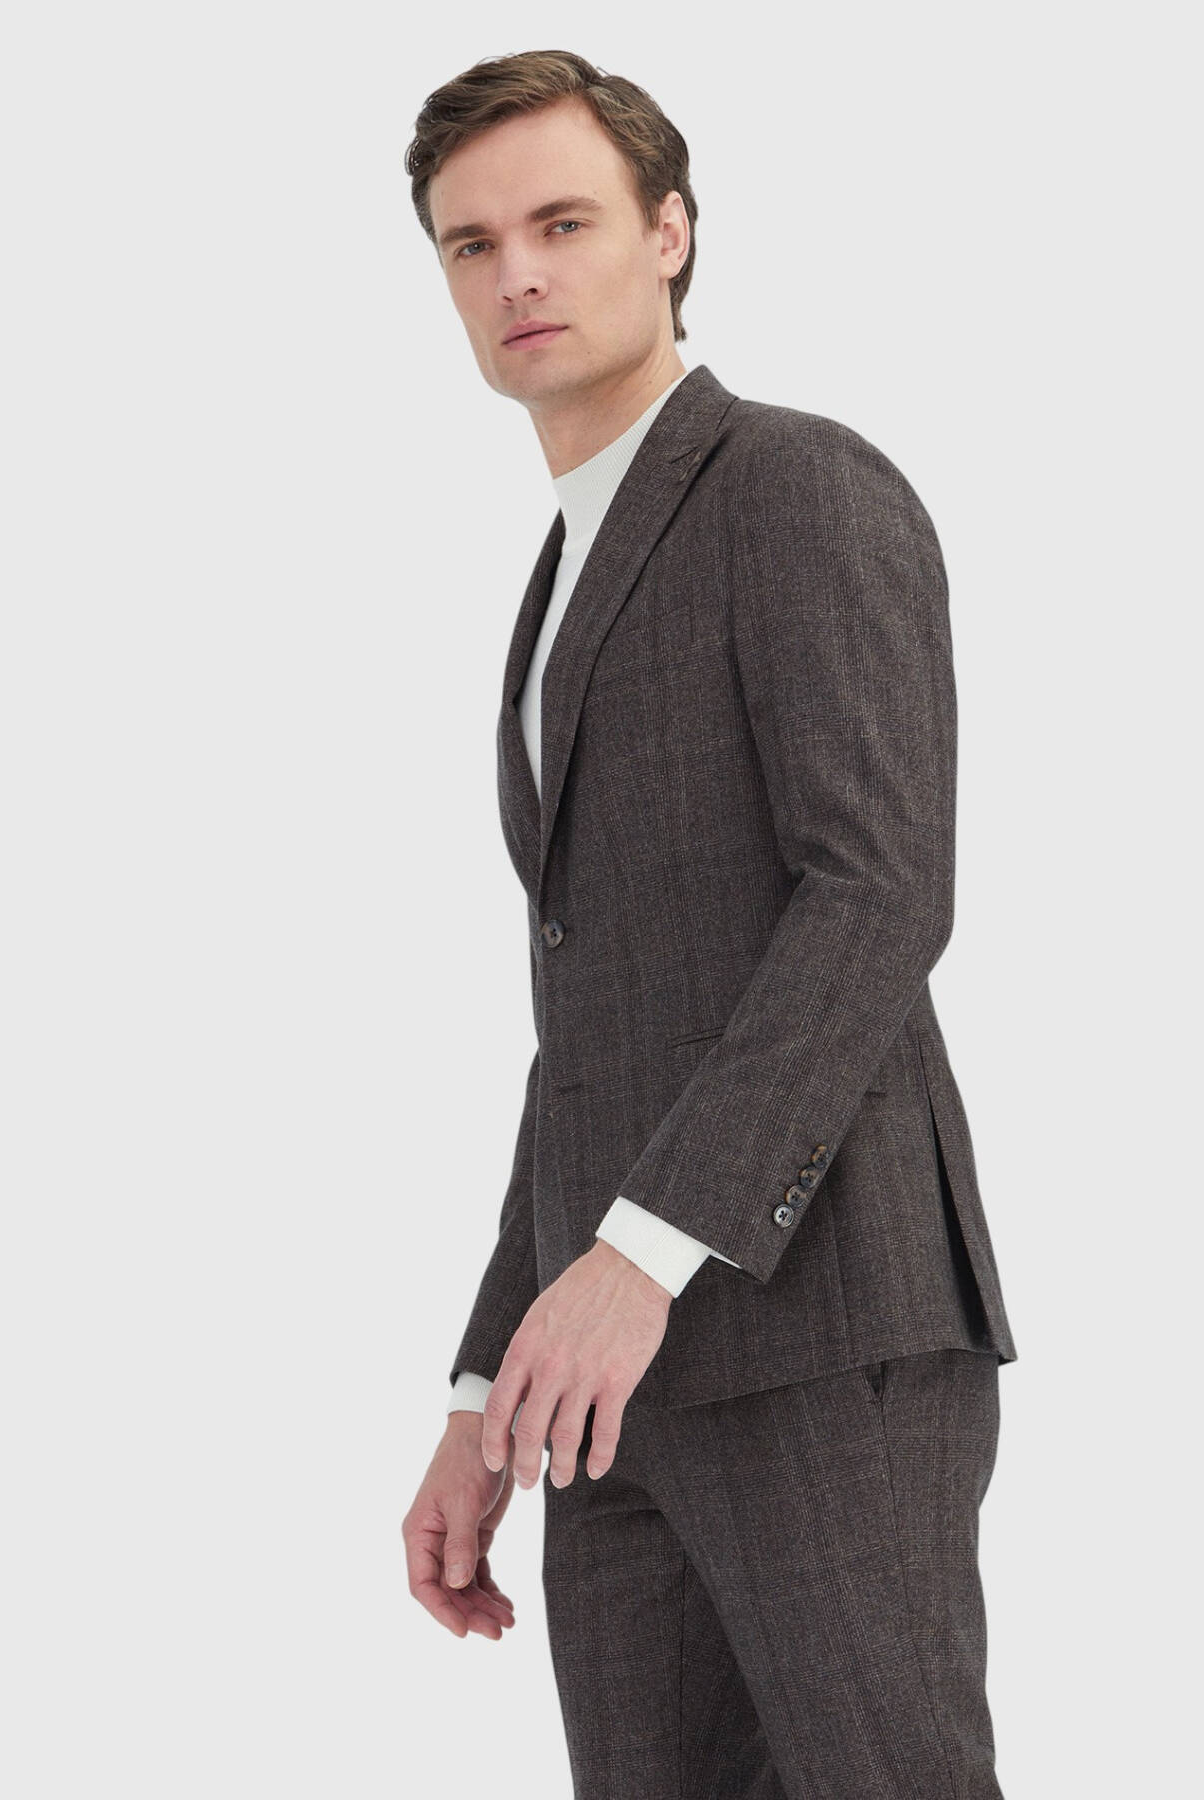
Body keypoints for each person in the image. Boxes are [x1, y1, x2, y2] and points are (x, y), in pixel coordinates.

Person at [400, 48, 1019, 1799]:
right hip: (609, 1390)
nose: (514, 273)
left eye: (561, 222)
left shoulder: (794, 486)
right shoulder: (560, 578)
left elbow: (876, 893)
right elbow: (587, 1031)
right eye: (468, 244)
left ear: (668, 233)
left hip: (821, 1335)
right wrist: (483, 1384)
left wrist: (646, 1251)